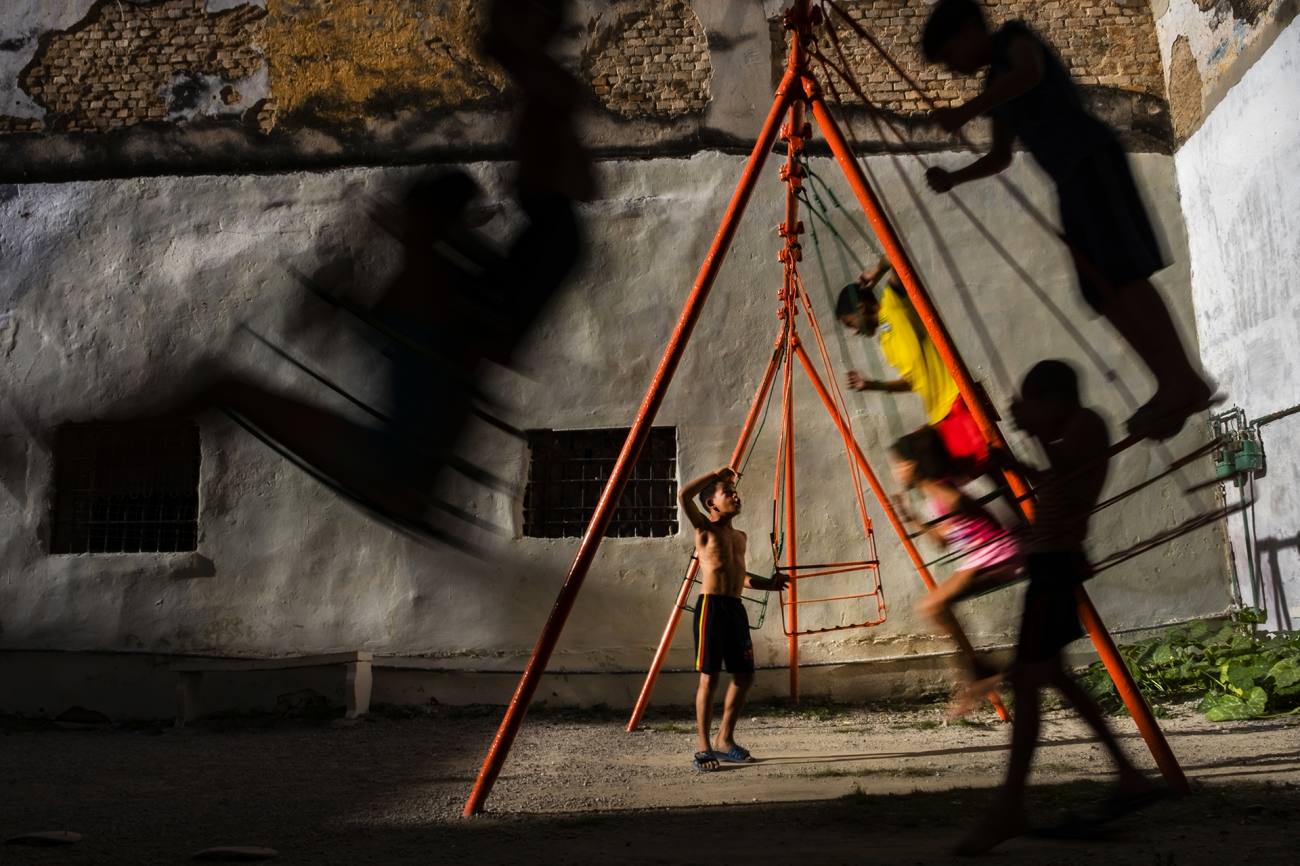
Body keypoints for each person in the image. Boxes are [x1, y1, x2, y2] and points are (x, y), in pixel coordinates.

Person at [918, 0, 1213, 442]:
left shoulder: (1012, 41)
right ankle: (1172, 382)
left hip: (1091, 162)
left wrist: (966, 110)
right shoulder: (995, 82)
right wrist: (954, 178)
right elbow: (999, 156)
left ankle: (1181, 381)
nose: (953, 69)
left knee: (1123, 275)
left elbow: (1030, 74)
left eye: (948, 57)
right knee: (1102, 287)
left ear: (965, 32)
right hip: (1073, 179)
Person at [953, 360, 1159, 855]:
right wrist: (1009, 464)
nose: (1032, 415)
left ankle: (1010, 806)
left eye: (1036, 404)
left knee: (1028, 682)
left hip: (1055, 564)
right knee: (1052, 677)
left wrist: (1036, 437)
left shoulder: (1087, 423)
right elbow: (1057, 480)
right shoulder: (1070, 430)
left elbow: (1073, 478)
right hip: (1050, 563)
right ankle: (1127, 774)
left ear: (1057, 400)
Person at [888, 427, 1021, 715]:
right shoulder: (933, 493)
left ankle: (978, 669)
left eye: (898, 464)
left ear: (912, 465)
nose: (895, 470)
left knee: (932, 606)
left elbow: (960, 504)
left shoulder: (937, 487)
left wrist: (945, 501)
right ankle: (978, 668)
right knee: (933, 607)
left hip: (995, 550)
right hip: (981, 555)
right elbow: (942, 540)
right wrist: (912, 519)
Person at [837, 255, 989, 480]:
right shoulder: (886, 344)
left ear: (861, 307)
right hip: (940, 415)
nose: (855, 331)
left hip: (959, 398)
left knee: (993, 467)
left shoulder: (893, 301)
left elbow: (895, 256)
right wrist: (872, 385)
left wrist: (876, 273)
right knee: (969, 476)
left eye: (851, 323)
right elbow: (913, 381)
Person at [679, 466, 788, 772]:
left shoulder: (740, 536)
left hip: (734, 609)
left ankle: (725, 739)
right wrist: (715, 474)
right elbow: (683, 495)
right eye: (728, 493)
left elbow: (740, 577)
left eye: (735, 492)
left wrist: (770, 583)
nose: (736, 496)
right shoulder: (704, 529)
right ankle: (704, 747)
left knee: (744, 675)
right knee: (709, 677)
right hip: (711, 609)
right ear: (711, 504)